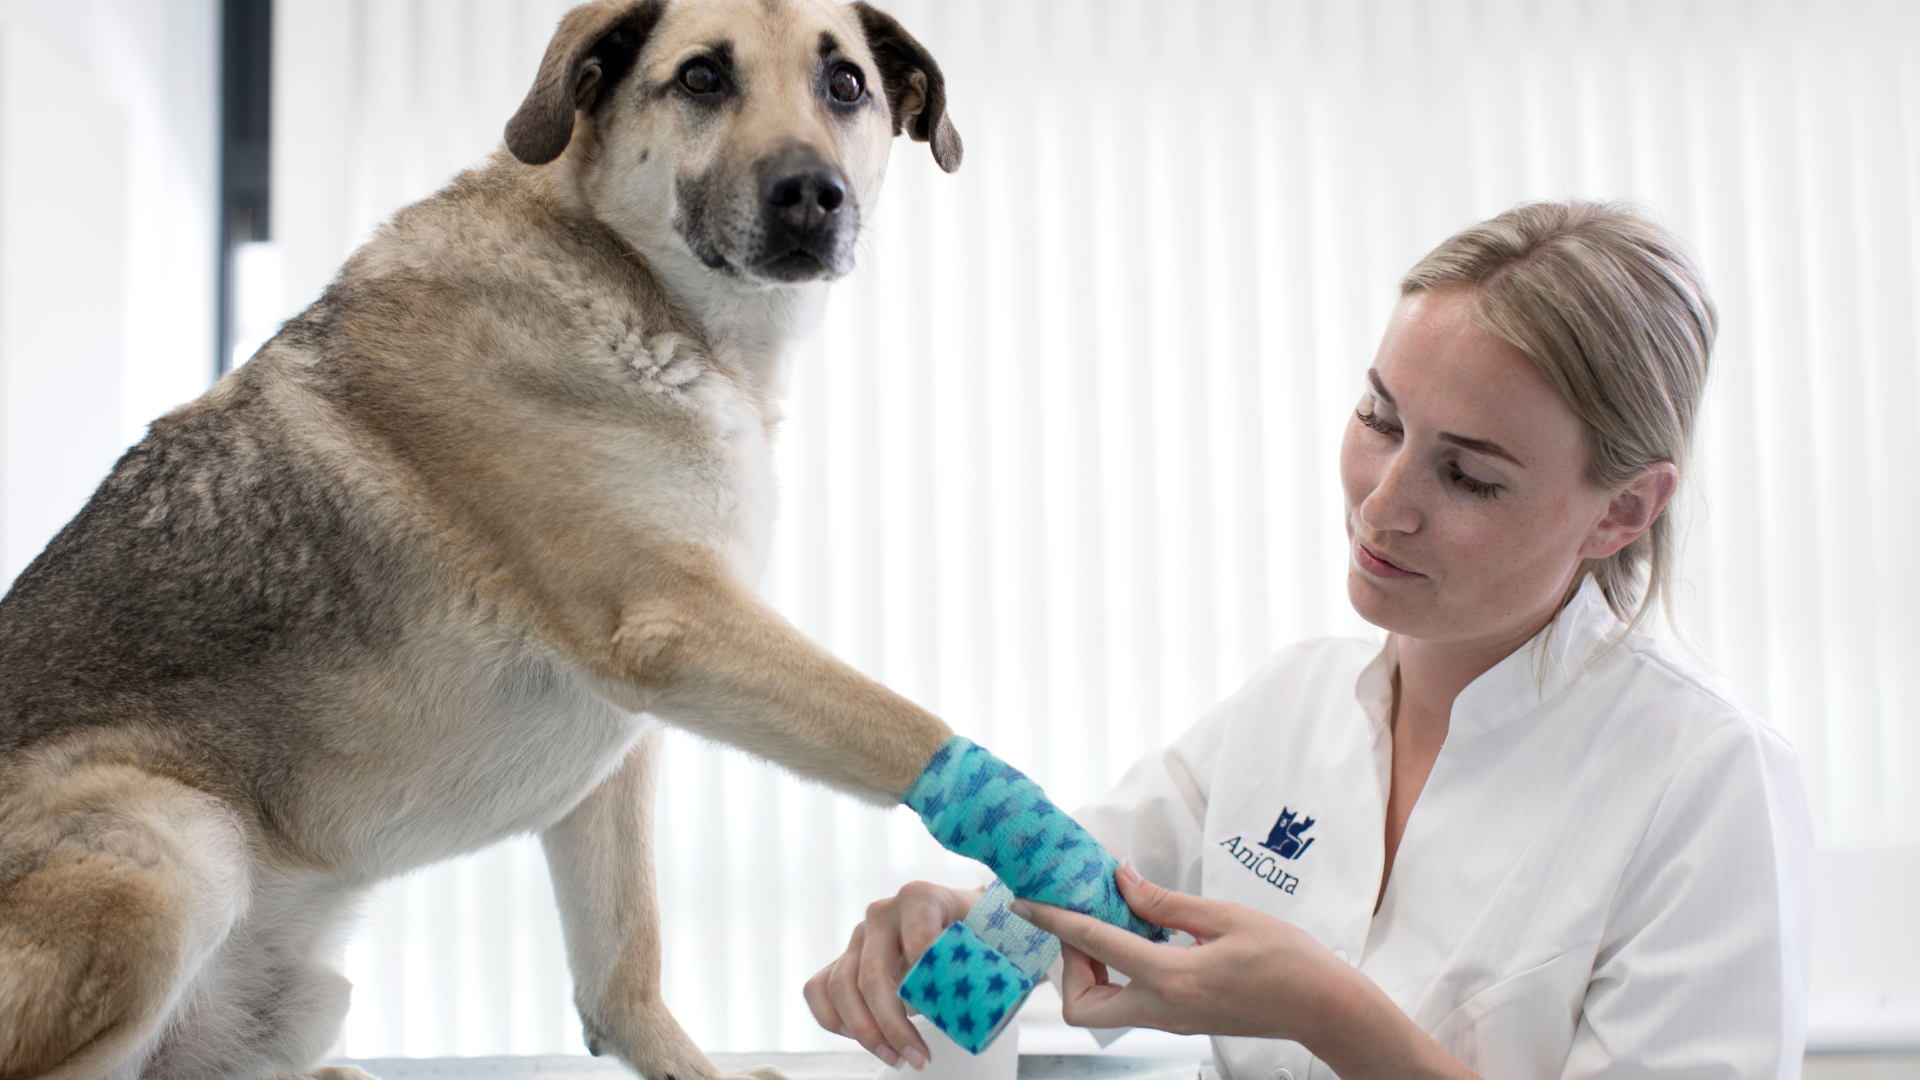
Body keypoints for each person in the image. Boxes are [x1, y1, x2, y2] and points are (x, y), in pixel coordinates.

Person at [802, 201, 1812, 1079]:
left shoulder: (1705, 781)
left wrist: (1329, 1015)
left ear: (1622, 510)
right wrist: (946, 925)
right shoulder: (1288, 709)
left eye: (1469, 477)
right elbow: (1075, 893)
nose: (1383, 504)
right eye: (1381, 418)